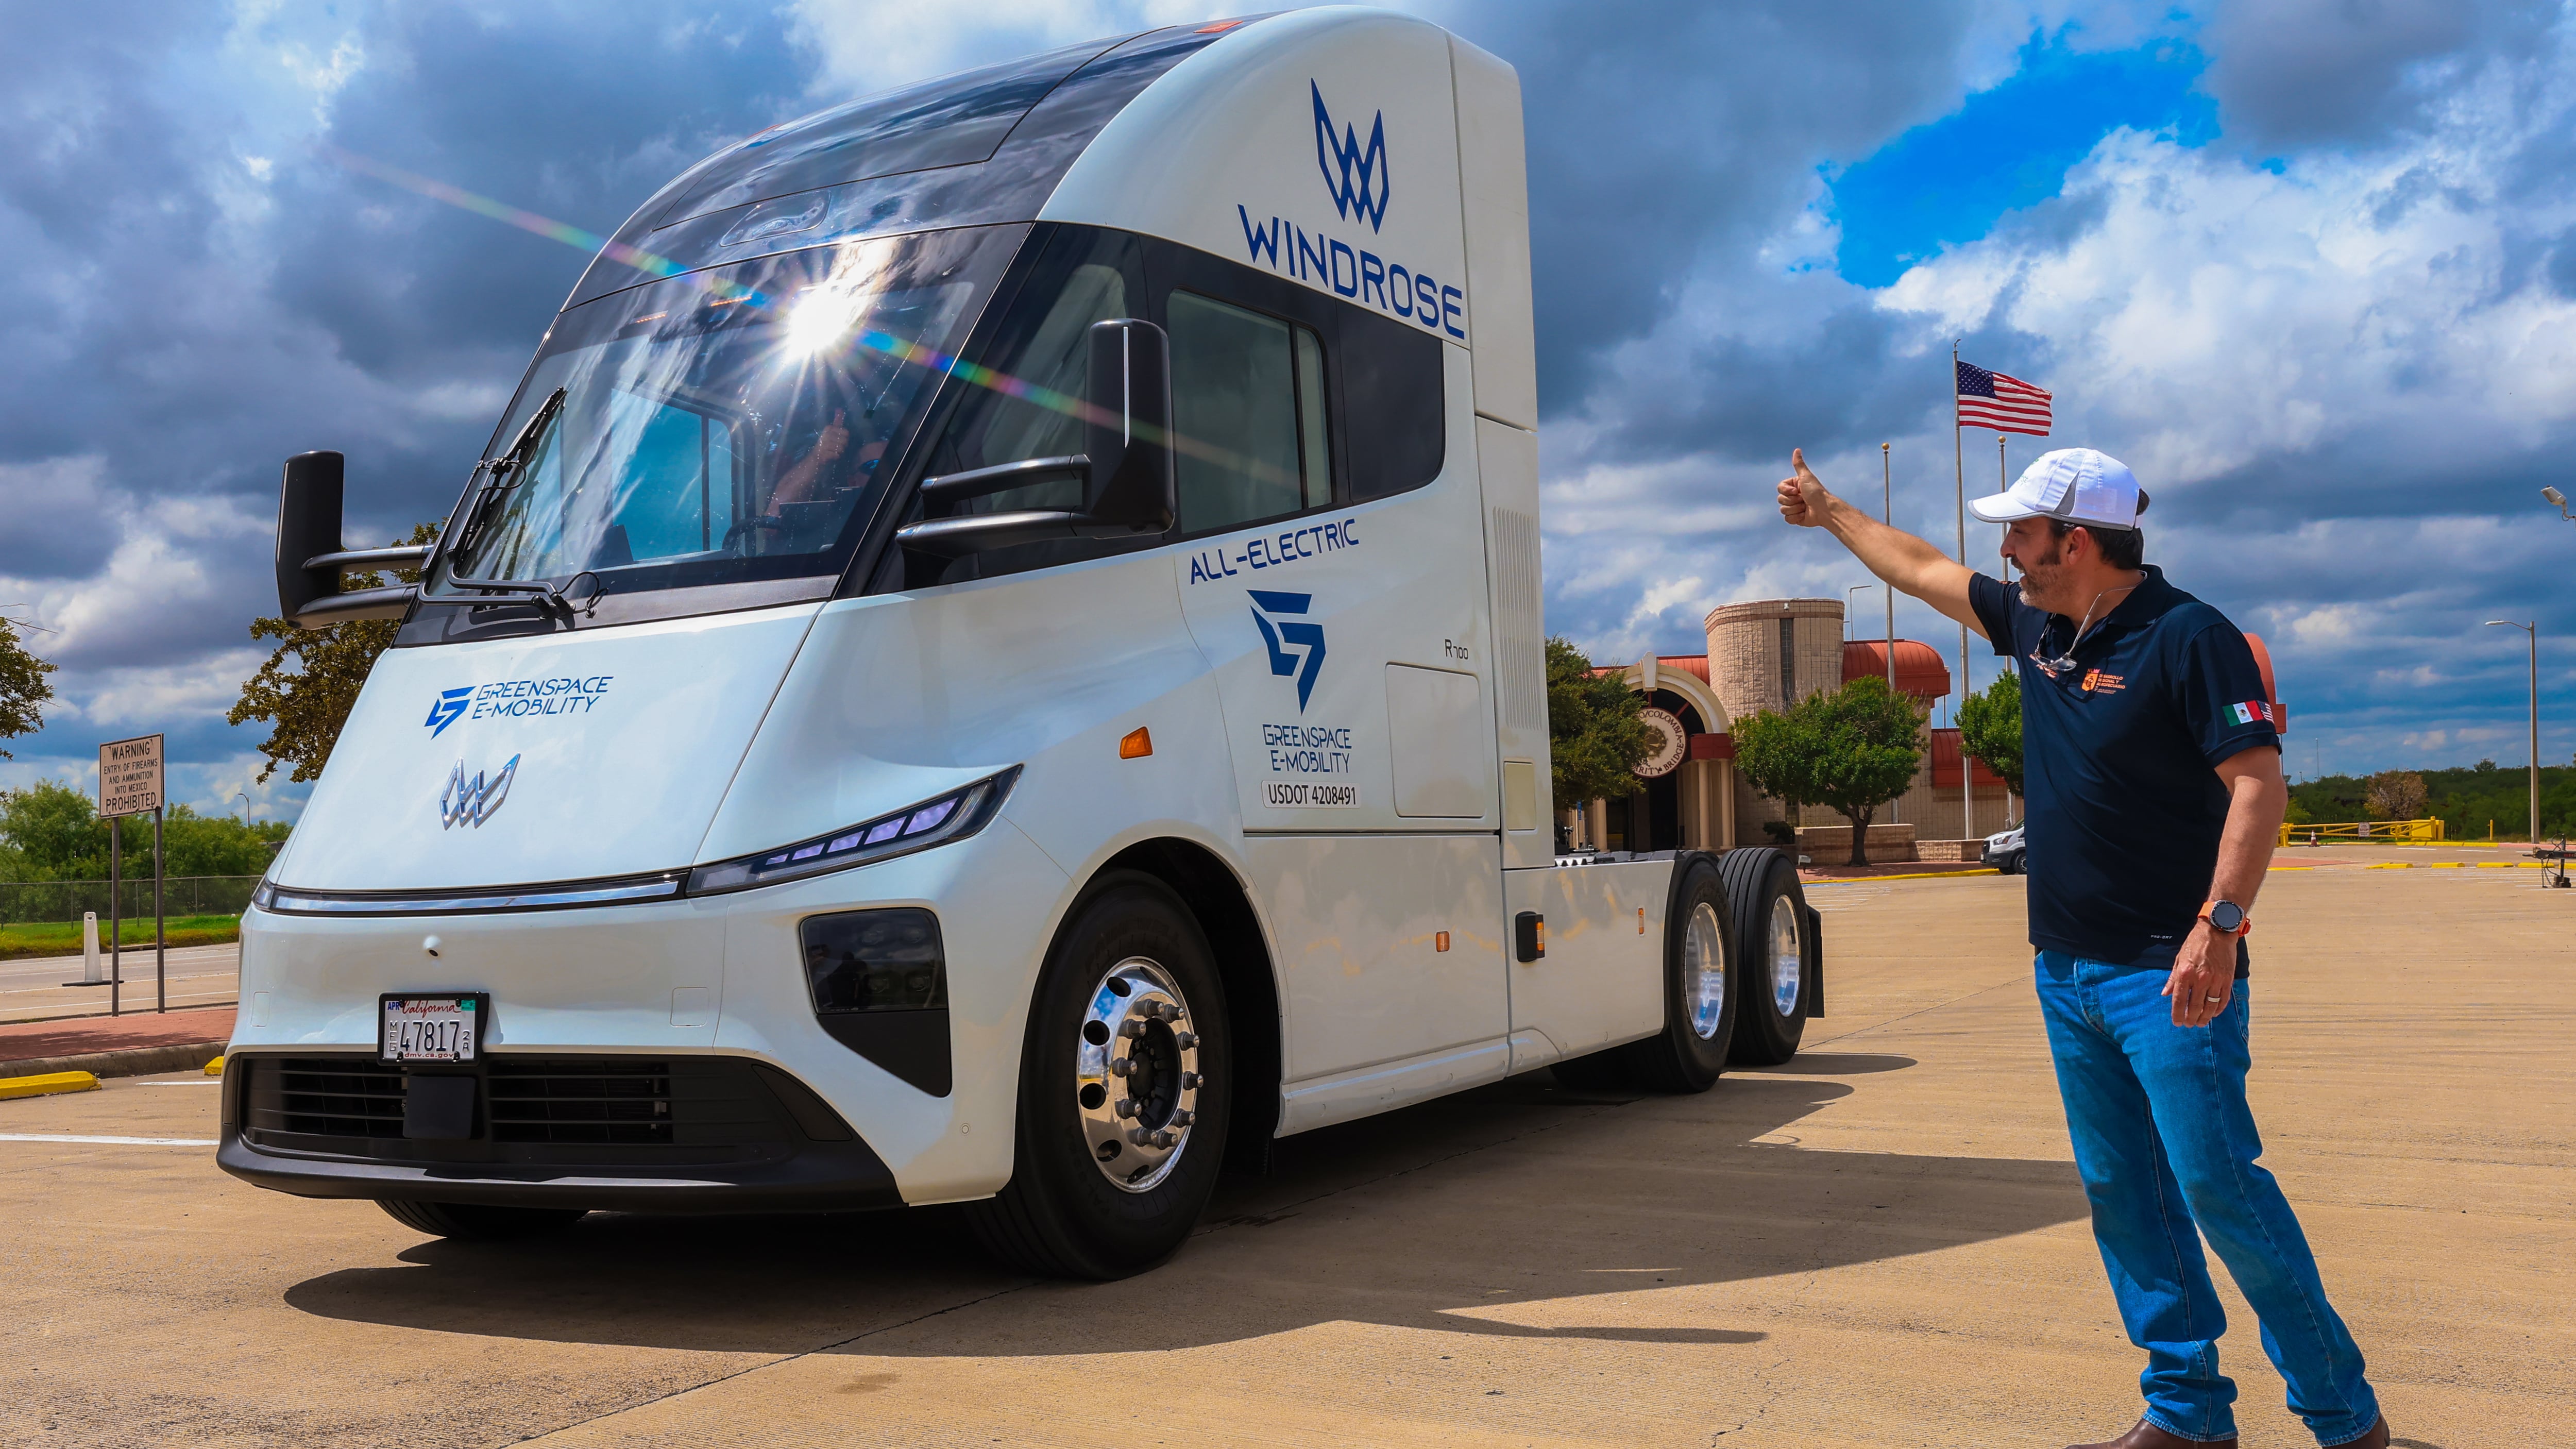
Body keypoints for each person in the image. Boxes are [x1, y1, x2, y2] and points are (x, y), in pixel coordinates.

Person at [1776, 446, 2389, 1449]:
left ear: (2078, 538)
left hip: (2171, 969)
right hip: (2065, 968)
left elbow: (2256, 783)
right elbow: (1919, 565)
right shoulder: (2040, 628)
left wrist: (2218, 926)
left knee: (2218, 1187)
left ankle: (2343, 1414)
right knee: (2125, 1196)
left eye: (2022, 532)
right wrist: (1829, 508)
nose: (2006, 551)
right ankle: (2186, 1413)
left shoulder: (2191, 635)